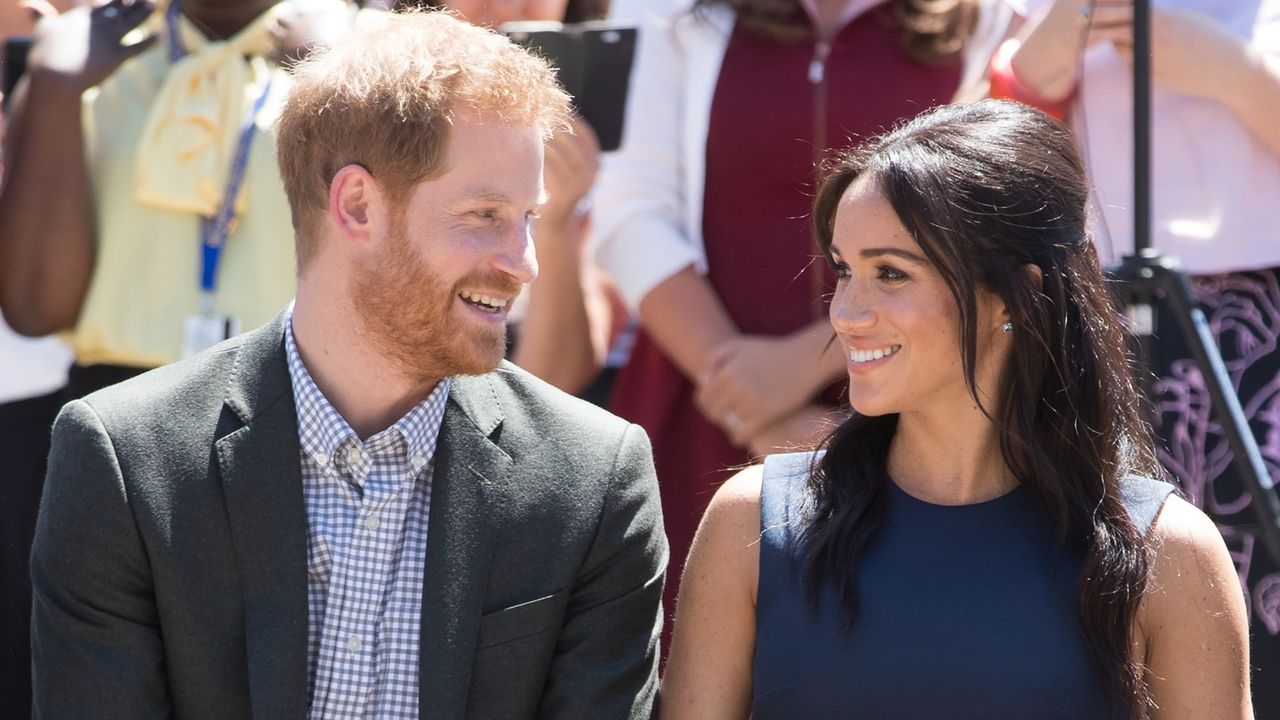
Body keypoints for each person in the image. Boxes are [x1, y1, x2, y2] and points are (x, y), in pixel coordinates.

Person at [29, 10, 666, 719]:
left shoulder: (594, 479)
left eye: (527, 218)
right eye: (486, 214)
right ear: (357, 205)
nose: (523, 263)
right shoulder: (125, 462)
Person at [662, 100, 1252, 718]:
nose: (846, 313)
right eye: (843, 270)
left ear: (1017, 298)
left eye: (890, 273)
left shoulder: (1169, 553)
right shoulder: (753, 524)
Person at [593, 0, 1012, 646]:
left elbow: (985, 248)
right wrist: (740, 392)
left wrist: (807, 370)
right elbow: (631, 212)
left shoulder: (989, 19)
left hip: (912, 432)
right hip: (697, 417)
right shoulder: (671, 13)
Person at [1000, 0, 1280, 713]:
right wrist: (1060, 33)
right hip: (1106, 313)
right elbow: (984, 151)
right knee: (1112, 550)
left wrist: (1236, 73)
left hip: (1263, 319)